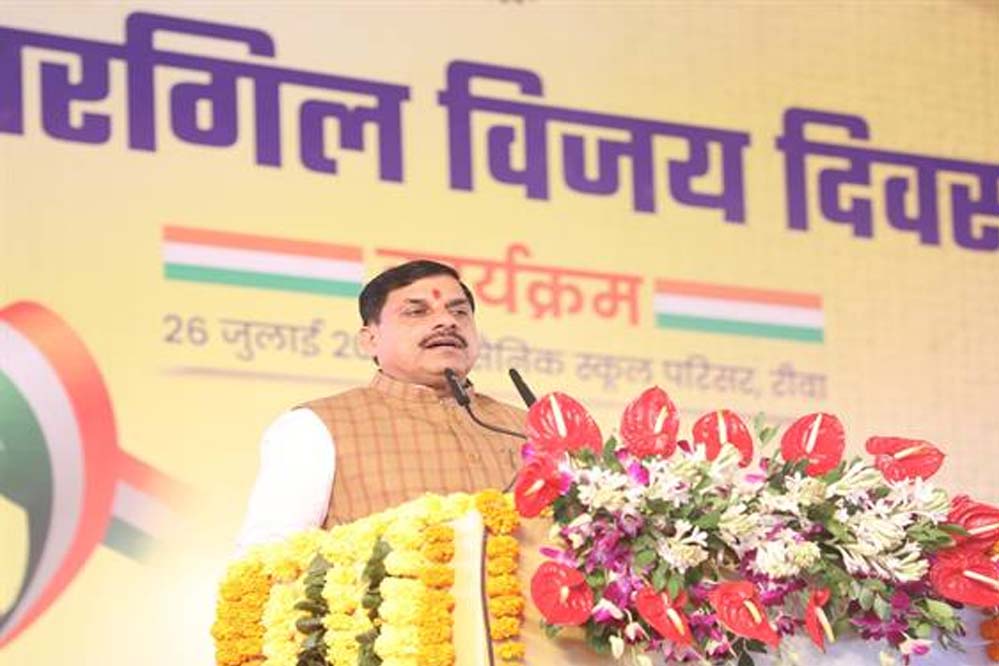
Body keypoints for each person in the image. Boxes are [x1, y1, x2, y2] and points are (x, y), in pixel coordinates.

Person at [235, 260, 525, 551]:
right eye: (417, 311)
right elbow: (267, 557)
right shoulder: (316, 426)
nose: (447, 322)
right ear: (370, 340)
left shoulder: (528, 428)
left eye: (459, 311)